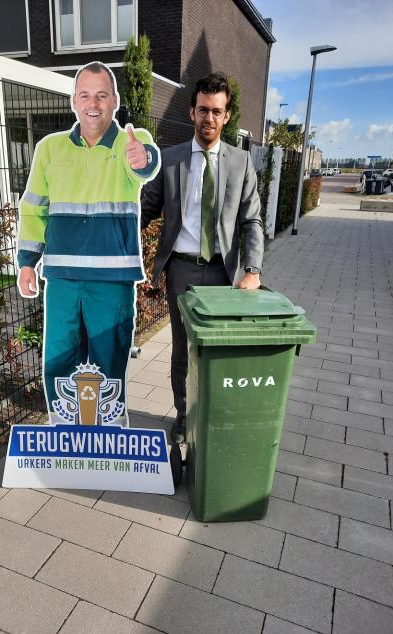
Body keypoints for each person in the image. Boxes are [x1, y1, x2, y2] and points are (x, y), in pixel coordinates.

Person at [16, 61, 159, 424]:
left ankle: (108, 431)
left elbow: (145, 162)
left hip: (111, 280)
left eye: (101, 95)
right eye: (85, 95)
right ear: (73, 102)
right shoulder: (50, 148)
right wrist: (27, 262)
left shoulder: (132, 141)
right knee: (60, 357)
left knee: (109, 358)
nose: (92, 103)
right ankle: (64, 427)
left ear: (114, 101)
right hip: (62, 278)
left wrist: (144, 159)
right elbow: (34, 209)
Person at [141, 72, 264, 443]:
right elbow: (146, 209)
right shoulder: (171, 158)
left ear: (226, 116)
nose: (209, 118)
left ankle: (213, 412)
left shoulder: (241, 163)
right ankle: (183, 415)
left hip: (224, 274)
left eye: (217, 111)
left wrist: (253, 269)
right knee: (183, 349)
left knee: (218, 350)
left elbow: (252, 219)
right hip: (181, 272)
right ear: (192, 111)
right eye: (203, 110)